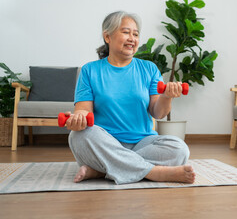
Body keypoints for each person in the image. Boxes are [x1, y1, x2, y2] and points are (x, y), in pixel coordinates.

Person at [66, 11, 196, 185]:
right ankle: (155, 172)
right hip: (104, 141)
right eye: (126, 32)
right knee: (79, 136)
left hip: (143, 142)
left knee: (180, 149)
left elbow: (158, 113)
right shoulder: (90, 71)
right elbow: (83, 110)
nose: (132, 38)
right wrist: (79, 119)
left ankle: (101, 170)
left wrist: (166, 96)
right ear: (107, 36)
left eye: (135, 34)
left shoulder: (149, 69)